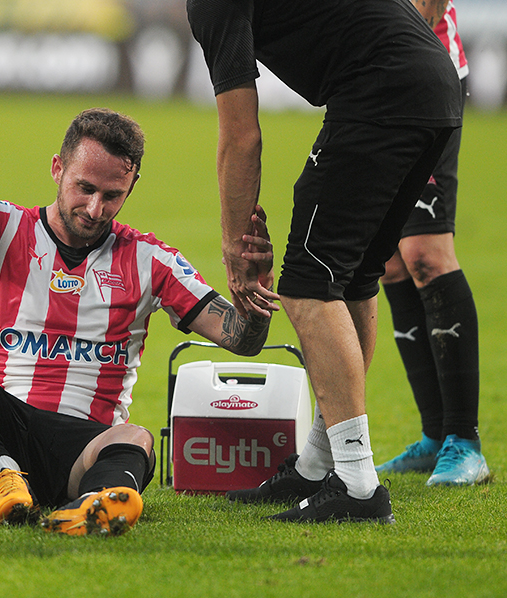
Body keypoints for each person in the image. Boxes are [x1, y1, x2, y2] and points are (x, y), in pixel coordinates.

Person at [0, 107, 275, 535]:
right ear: (57, 169)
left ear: (132, 186)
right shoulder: (3, 227)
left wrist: (253, 299)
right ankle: (0, 474)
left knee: (135, 437)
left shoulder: (152, 261)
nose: (95, 209)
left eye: (112, 195)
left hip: (80, 450)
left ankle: (92, 506)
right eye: (85, 188)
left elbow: (242, 340)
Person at [187, 0, 463, 523]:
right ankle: (319, 464)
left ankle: (358, 485)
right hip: (434, 82)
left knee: (308, 284)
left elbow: (241, 135)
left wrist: (235, 247)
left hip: (380, 90)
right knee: (352, 278)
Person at [375, 1, 489, 486]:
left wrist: (408, 51)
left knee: (425, 252)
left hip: (423, 67)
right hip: (369, 78)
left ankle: (465, 441)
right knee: (389, 260)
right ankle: (435, 434)